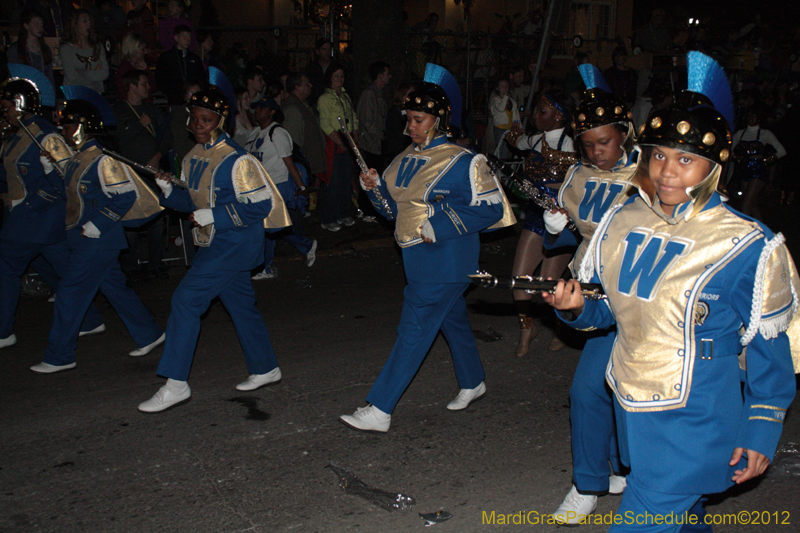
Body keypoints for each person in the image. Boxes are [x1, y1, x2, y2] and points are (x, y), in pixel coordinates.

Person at [544, 52, 797, 532]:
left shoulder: (746, 242)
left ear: (715, 165)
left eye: (685, 159)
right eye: (658, 155)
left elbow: (770, 348)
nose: (666, 172)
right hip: (631, 402)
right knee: (683, 515)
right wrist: (578, 308)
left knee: (647, 514)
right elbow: (610, 312)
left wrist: (762, 429)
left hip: (696, 417)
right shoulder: (622, 219)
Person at [339, 64, 516, 433]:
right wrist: (374, 189)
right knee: (451, 319)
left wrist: (440, 224)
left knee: (415, 328)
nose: (412, 126)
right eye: (409, 119)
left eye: (419, 119)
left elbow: (492, 207)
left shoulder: (463, 159)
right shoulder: (403, 158)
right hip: (416, 257)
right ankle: (473, 381)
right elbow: (393, 212)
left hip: (447, 259)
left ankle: (380, 408)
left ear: (438, 119)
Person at [139, 84, 290, 413]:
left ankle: (176, 383)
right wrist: (167, 191)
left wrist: (217, 216)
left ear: (221, 121)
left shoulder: (238, 160)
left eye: (206, 120)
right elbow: (190, 203)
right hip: (215, 245)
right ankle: (266, 368)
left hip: (234, 245)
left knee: (185, 300)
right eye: (194, 119)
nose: (197, 125)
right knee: (241, 307)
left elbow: (260, 206)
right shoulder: (193, 157)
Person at [540, 64, 639, 525]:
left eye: (606, 142)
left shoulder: (654, 174)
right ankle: (587, 485)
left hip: (642, 296)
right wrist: (555, 229)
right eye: (589, 144)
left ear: (626, 134)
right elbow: (575, 238)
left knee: (630, 392)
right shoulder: (577, 177)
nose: (598, 152)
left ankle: (621, 468)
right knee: (585, 391)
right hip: (596, 295)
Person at [32, 85, 164, 373]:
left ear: (81, 126)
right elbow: (70, 195)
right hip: (84, 237)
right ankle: (150, 333)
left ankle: (60, 355)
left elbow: (125, 195)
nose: (63, 131)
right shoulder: (78, 157)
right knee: (115, 289)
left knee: (69, 293)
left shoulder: (103, 159)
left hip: (97, 239)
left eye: (67, 125)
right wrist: (48, 170)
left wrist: (98, 223)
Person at [0, 66, 104, 351]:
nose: (4, 112)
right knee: (59, 270)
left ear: (21, 105)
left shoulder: (46, 135)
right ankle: (91, 319)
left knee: (5, 266)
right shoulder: (16, 133)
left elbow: (66, 178)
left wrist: (27, 204)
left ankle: (2, 330)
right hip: (33, 220)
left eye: (7, 107)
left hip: (38, 216)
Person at [505, 94, 578, 355]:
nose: (536, 116)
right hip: (535, 217)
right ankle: (527, 328)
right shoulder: (536, 139)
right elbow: (515, 141)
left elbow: (579, 184)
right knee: (520, 279)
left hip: (561, 222)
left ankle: (562, 328)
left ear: (559, 115)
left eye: (543, 112)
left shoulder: (573, 146)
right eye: (536, 112)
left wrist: (551, 192)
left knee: (549, 283)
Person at [246, 97, 316, 280]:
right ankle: (270, 264)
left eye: (262, 108)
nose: (257, 111)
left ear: (271, 112)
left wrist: (301, 185)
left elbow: (289, 162)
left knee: (269, 227)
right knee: (270, 227)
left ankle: (303, 247)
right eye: (256, 109)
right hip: (262, 187)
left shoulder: (277, 133)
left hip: (278, 185)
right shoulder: (257, 134)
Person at [113, 69, 172, 281]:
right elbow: (117, 142)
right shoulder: (119, 111)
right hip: (130, 173)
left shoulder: (151, 109)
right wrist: (139, 126)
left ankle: (155, 263)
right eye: (144, 83)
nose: (148, 87)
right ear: (132, 86)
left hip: (152, 171)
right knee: (131, 218)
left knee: (156, 217)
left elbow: (167, 136)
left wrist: (158, 155)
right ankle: (130, 265)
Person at [316, 62, 358, 232]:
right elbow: (325, 123)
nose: (340, 79)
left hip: (347, 140)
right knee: (332, 181)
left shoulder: (345, 96)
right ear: (329, 79)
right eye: (336, 76)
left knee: (345, 179)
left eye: (342, 76)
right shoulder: (325, 98)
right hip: (334, 142)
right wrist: (340, 141)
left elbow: (352, 117)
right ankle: (329, 217)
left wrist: (354, 137)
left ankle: (343, 213)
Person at [731, 105, 786, 219]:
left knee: (746, 204)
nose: (750, 118)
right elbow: (729, 149)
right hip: (744, 169)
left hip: (758, 170)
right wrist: (736, 157)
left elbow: (782, 151)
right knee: (752, 204)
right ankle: (763, 230)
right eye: (749, 116)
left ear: (759, 118)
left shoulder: (765, 133)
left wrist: (767, 160)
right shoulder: (740, 133)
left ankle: (746, 232)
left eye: (754, 116)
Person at [282, 73, 327, 180]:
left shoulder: (303, 105)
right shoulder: (293, 109)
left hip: (310, 165)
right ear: (297, 87)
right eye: (307, 84)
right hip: (304, 167)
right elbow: (294, 144)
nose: (310, 86)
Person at [60, 9, 109, 94]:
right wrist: (95, 74)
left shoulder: (98, 47)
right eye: (84, 21)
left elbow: (104, 73)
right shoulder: (66, 49)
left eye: (90, 21)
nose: (88, 24)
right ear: (75, 24)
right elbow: (72, 78)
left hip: (95, 93)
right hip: (75, 93)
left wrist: (82, 72)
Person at [155, 25, 205, 105]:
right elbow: (161, 78)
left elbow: (201, 77)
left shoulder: (194, 58)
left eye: (189, 39)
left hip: (192, 97)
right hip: (174, 97)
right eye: (184, 38)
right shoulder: (166, 57)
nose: (187, 41)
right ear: (176, 38)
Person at [8, 10, 55, 88]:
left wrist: (52, 93)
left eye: (41, 25)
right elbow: (14, 75)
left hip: (43, 89)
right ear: (26, 25)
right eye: (36, 24)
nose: (40, 28)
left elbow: (50, 76)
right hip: (24, 89)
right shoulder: (16, 49)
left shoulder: (45, 49)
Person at [114, 32, 156, 101]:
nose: (145, 52)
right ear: (134, 49)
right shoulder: (124, 70)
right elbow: (124, 93)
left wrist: (146, 70)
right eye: (142, 49)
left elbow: (152, 87)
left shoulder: (140, 66)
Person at [489, 77, 520, 160]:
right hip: (500, 128)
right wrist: (505, 98)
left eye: (506, 86)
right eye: (502, 86)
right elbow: (501, 108)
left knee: (506, 150)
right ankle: (497, 168)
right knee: (499, 149)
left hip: (509, 128)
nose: (504, 88)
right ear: (497, 88)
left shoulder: (511, 100)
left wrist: (518, 125)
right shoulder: (496, 99)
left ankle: (502, 167)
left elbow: (515, 113)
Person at [305, 38, 333, 108]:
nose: (327, 52)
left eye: (329, 49)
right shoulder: (312, 68)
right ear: (317, 51)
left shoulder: (336, 67)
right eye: (324, 49)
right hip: (316, 103)